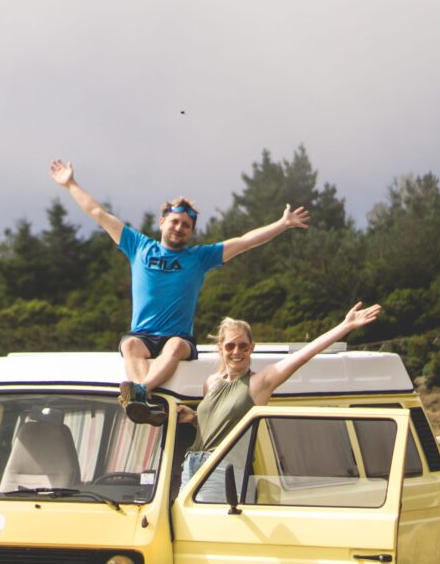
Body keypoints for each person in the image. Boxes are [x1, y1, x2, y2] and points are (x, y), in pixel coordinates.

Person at [48, 158, 309, 423]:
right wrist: (70, 184)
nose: (179, 228)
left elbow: (244, 242)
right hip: (143, 335)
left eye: (186, 225)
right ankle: (143, 403)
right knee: (130, 346)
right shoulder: (138, 246)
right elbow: (98, 213)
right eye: (174, 222)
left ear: (191, 232)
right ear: (162, 222)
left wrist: (282, 224)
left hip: (179, 338)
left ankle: (141, 393)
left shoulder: (199, 257)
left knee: (172, 346)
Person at [176, 302, 383, 492]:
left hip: (223, 470)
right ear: (220, 347)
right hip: (192, 464)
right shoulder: (210, 383)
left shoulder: (259, 382)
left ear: (252, 348)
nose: (236, 351)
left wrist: (345, 326)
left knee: (208, 529)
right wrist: (195, 418)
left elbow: (302, 356)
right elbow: (223, 426)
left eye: (243, 346)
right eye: (230, 345)